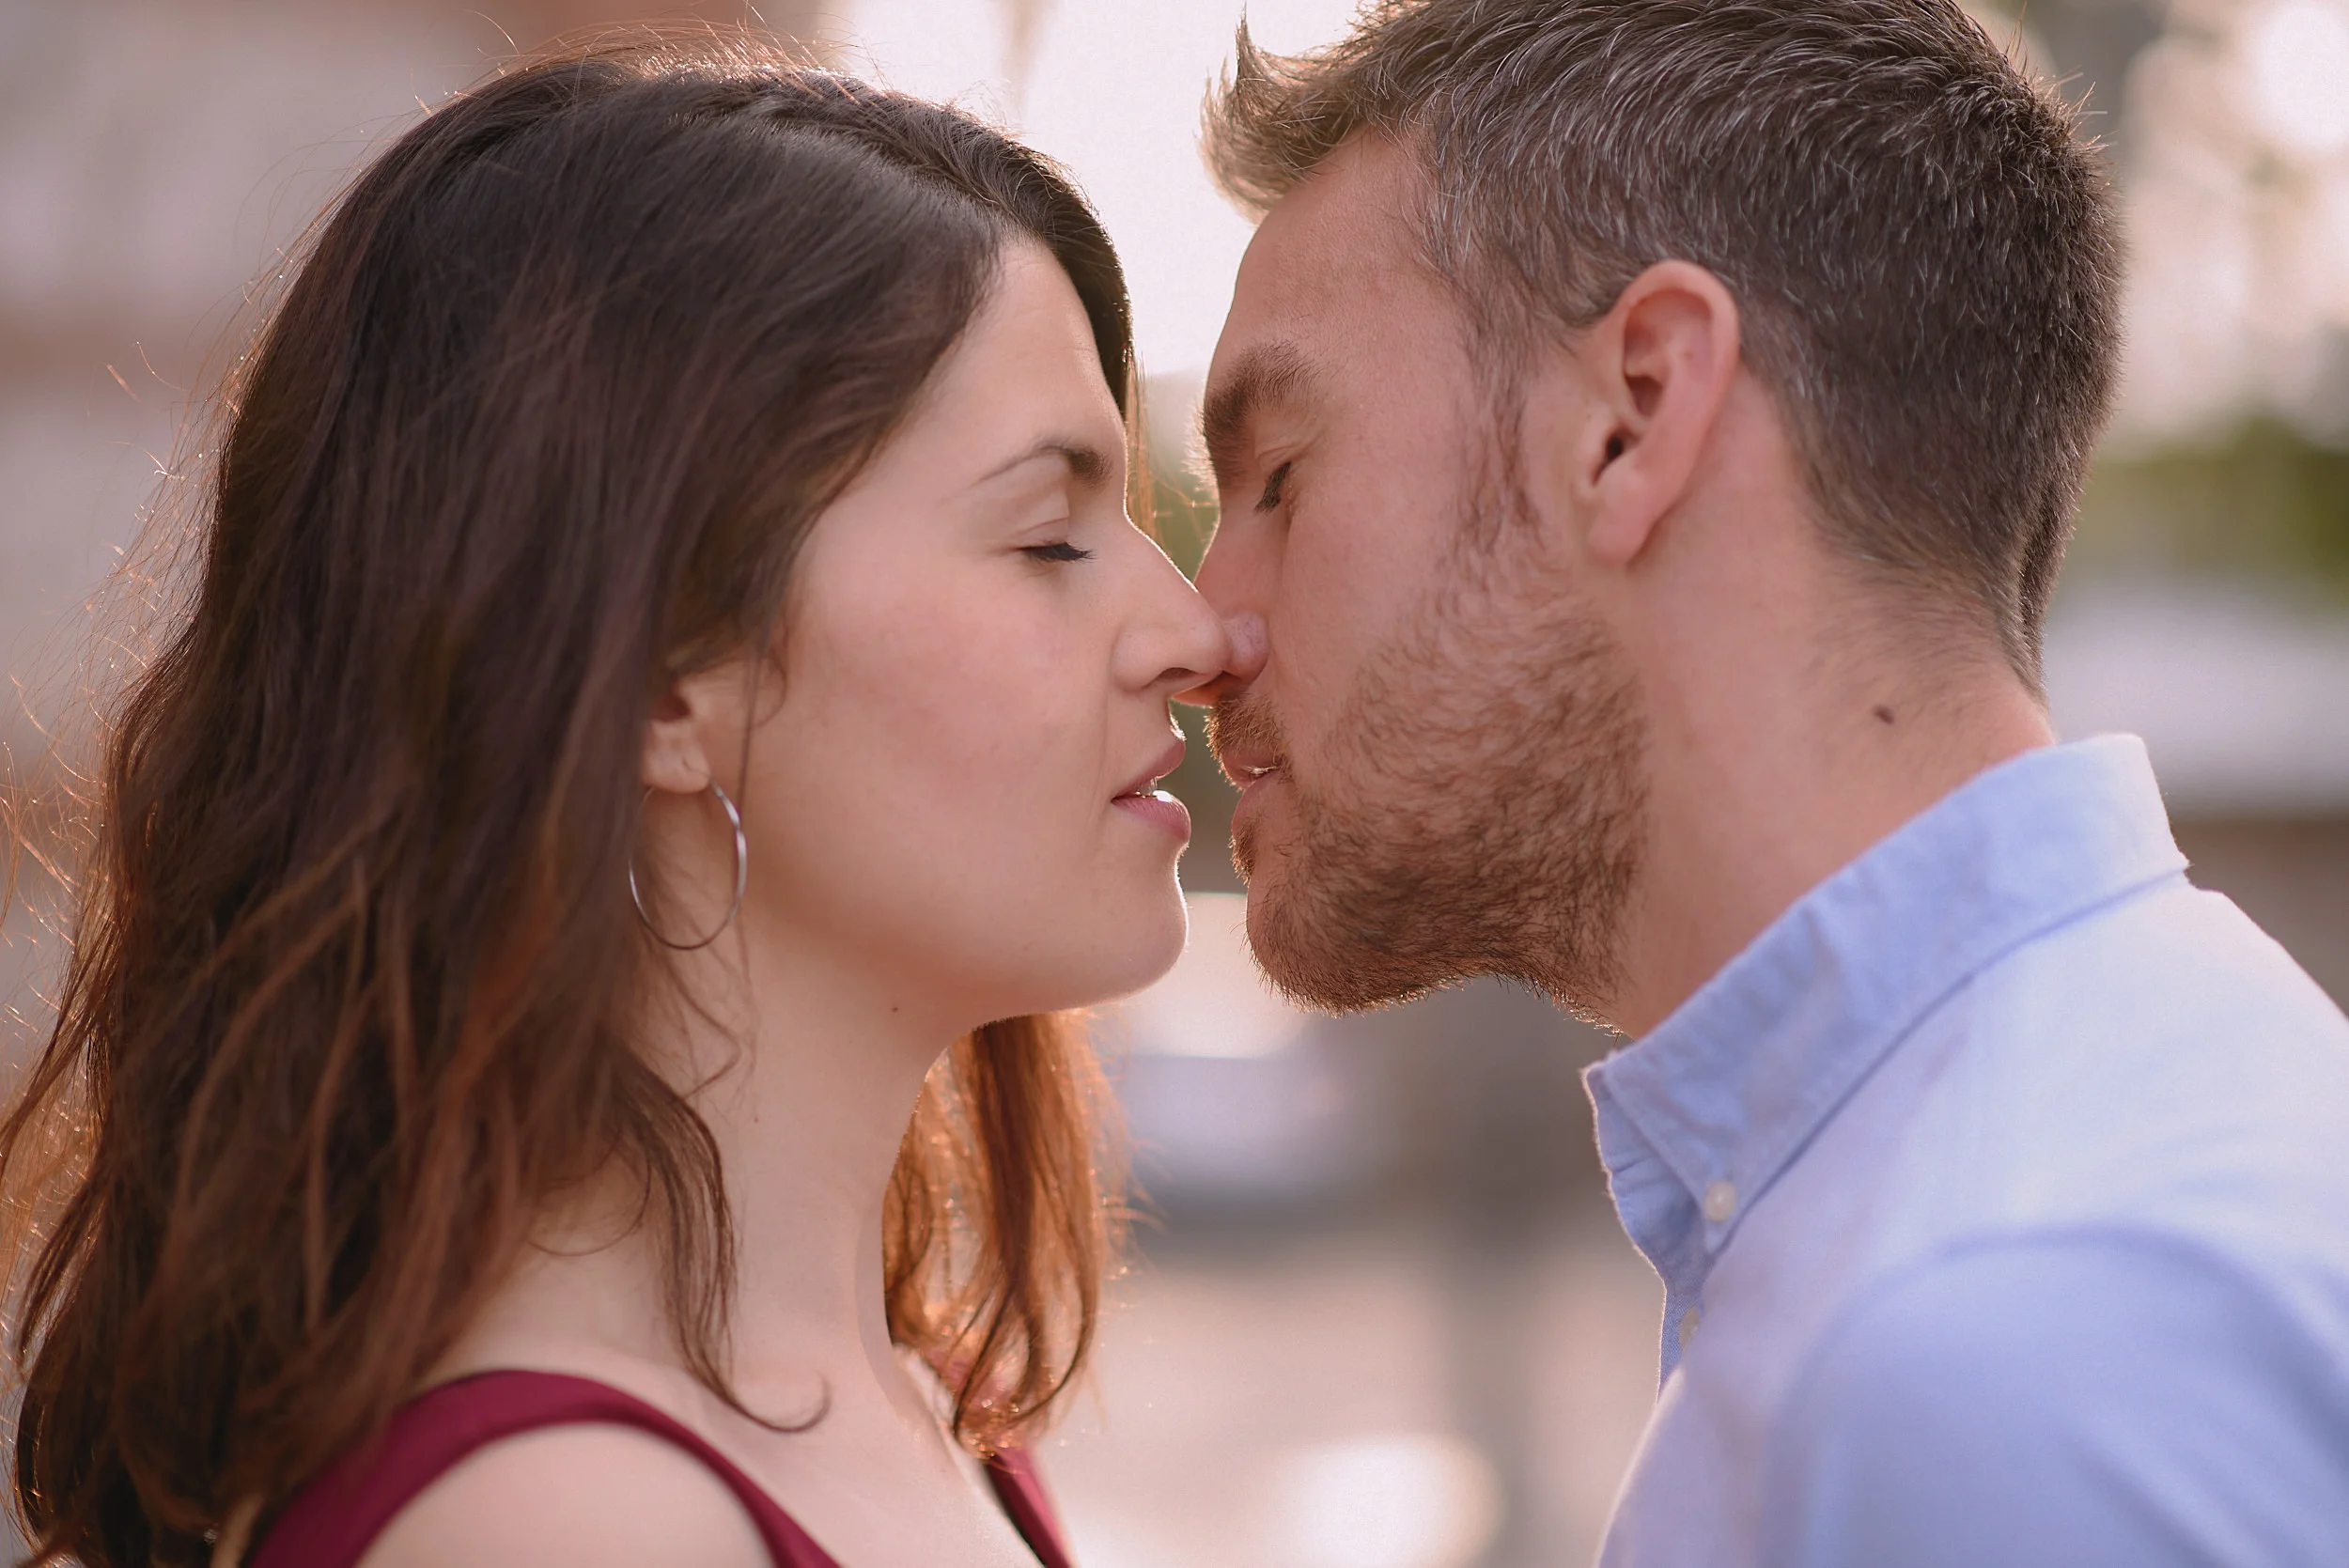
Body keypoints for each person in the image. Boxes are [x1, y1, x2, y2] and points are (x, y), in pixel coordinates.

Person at [0, 31, 1225, 1568]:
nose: (1190, 634)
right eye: (1050, 537)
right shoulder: (559, 1521)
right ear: (658, 680)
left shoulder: (934, 1416)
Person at [1181, 1, 2349, 1563]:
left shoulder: (2010, 1349)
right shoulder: (2098, 1149)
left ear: (1637, 413)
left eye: (1276, 477)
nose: (1202, 628)